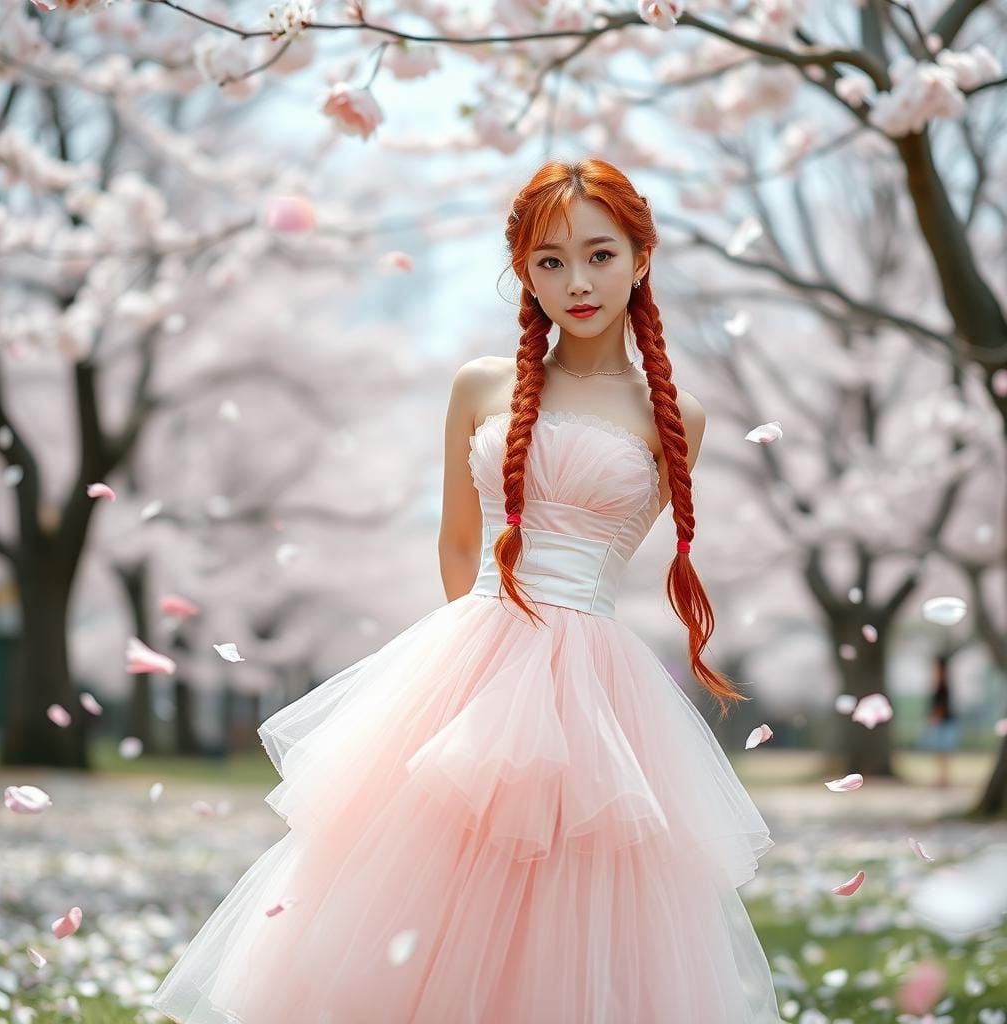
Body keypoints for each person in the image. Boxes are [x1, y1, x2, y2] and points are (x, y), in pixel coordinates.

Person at [150, 158, 783, 1023]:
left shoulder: (677, 419)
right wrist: (475, 664)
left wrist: (547, 664)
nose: (577, 281)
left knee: (574, 888)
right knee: (421, 878)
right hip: (476, 649)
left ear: (641, 258)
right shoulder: (482, 385)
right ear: (523, 271)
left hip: (595, 683)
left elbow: (622, 550)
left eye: (600, 254)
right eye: (549, 260)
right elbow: (457, 540)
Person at [920, 652, 960, 787]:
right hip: (942, 722)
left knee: (943, 751)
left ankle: (944, 779)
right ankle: (942, 778)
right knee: (941, 752)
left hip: (944, 722)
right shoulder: (940, 684)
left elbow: (942, 706)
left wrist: (935, 717)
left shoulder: (943, 685)